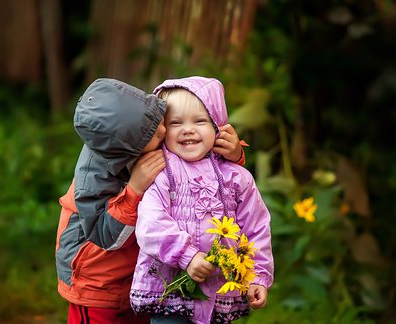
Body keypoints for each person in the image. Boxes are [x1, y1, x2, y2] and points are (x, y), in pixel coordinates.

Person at [55, 78, 246, 324]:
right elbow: (105, 236)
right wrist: (134, 189)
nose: (166, 132)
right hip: (97, 281)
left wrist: (234, 154)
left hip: (140, 273)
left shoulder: (138, 125)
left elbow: (198, 163)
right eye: (156, 135)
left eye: (161, 123)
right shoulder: (93, 179)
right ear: (130, 149)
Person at [130, 76, 274, 324]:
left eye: (199, 121)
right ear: (162, 130)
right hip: (171, 291)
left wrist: (257, 277)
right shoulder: (161, 173)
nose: (188, 129)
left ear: (218, 127)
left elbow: (256, 228)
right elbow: (150, 223)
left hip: (219, 292)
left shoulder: (237, 178)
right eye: (175, 123)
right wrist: (186, 255)